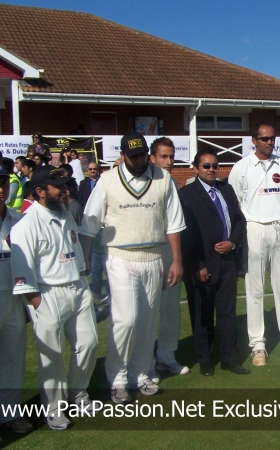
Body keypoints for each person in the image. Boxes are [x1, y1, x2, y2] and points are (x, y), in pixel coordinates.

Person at [79, 131, 185, 403]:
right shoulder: (107, 180)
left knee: (147, 323)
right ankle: (117, 378)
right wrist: (81, 265)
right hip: (120, 257)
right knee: (125, 321)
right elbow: (89, 226)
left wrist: (176, 260)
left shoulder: (164, 179)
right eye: (133, 155)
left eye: (142, 154)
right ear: (123, 155)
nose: (138, 160)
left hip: (153, 256)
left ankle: (141, 374)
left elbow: (173, 224)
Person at [10, 165, 98, 430]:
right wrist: (38, 303)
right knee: (52, 356)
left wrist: (82, 279)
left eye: (65, 185)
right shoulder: (26, 224)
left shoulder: (65, 213)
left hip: (77, 287)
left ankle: (77, 393)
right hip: (46, 293)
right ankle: (54, 409)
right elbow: (22, 272)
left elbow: (73, 247)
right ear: (39, 191)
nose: (65, 190)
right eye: (58, 186)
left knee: (89, 343)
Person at [228, 122, 280, 366]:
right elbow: (235, 203)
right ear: (254, 140)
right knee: (255, 290)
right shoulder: (241, 167)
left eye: (272, 138)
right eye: (264, 138)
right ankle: (258, 345)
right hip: (253, 229)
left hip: (279, 227)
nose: (269, 142)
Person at [179, 148, 249, 375]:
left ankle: (230, 359)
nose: (211, 170)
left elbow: (239, 221)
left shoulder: (226, 189)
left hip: (227, 262)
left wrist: (232, 243)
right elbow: (186, 234)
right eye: (206, 166)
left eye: (214, 166)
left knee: (228, 314)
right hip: (202, 266)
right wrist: (198, 264)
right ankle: (206, 361)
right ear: (196, 168)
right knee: (202, 315)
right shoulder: (187, 194)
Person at [0, 163, 32, 445]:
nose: (0, 189)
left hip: (15, 298)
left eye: (3, 183)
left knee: (13, 359)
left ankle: (8, 414)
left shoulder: (17, 218)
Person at [148, 137, 189, 377]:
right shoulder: (142, 182)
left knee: (171, 309)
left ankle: (166, 357)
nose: (169, 161)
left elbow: (175, 224)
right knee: (146, 311)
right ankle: (143, 363)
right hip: (145, 253)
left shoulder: (171, 182)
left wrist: (176, 258)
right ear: (152, 158)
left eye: (172, 156)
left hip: (169, 252)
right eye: (164, 156)